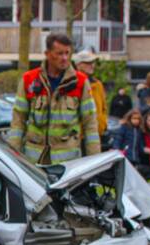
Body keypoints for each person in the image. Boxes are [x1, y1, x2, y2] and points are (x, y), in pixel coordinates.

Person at [8, 32, 100, 164]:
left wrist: (95, 162)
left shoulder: (80, 82)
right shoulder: (29, 80)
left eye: (67, 53)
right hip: (34, 163)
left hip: (68, 164)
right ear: (47, 54)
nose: (64, 58)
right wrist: (12, 157)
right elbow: (18, 120)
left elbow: (90, 124)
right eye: (59, 53)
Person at [73, 50, 108, 138]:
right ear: (78, 65)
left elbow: (104, 108)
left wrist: (103, 124)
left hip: (97, 134)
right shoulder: (71, 84)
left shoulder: (98, 84)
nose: (92, 65)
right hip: (78, 137)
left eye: (93, 62)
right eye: (88, 63)